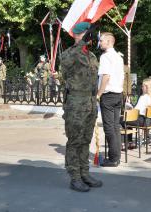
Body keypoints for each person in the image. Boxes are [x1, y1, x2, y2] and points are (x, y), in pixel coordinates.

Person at [61, 22, 102, 192]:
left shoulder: (91, 56)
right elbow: (65, 70)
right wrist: (80, 43)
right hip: (76, 104)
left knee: (86, 140)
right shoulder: (69, 54)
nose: (91, 36)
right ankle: (75, 177)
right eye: (87, 33)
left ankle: (84, 173)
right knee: (75, 141)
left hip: (90, 103)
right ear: (79, 34)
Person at [97, 32, 125, 167]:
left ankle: (113, 159)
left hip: (108, 95)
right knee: (115, 127)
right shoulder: (119, 57)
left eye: (101, 40)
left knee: (109, 128)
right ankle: (116, 157)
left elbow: (105, 77)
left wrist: (99, 94)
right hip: (118, 94)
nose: (99, 42)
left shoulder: (105, 57)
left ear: (109, 42)